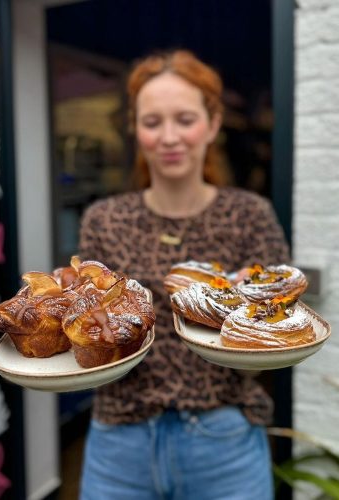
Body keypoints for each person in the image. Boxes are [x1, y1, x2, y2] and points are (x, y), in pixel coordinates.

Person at [78, 49, 290, 500]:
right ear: (135, 129)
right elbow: (89, 325)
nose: (169, 137)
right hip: (119, 439)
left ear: (213, 124)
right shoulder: (103, 218)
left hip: (223, 438)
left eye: (185, 119)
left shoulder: (249, 214)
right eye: (152, 122)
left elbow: (276, 322)